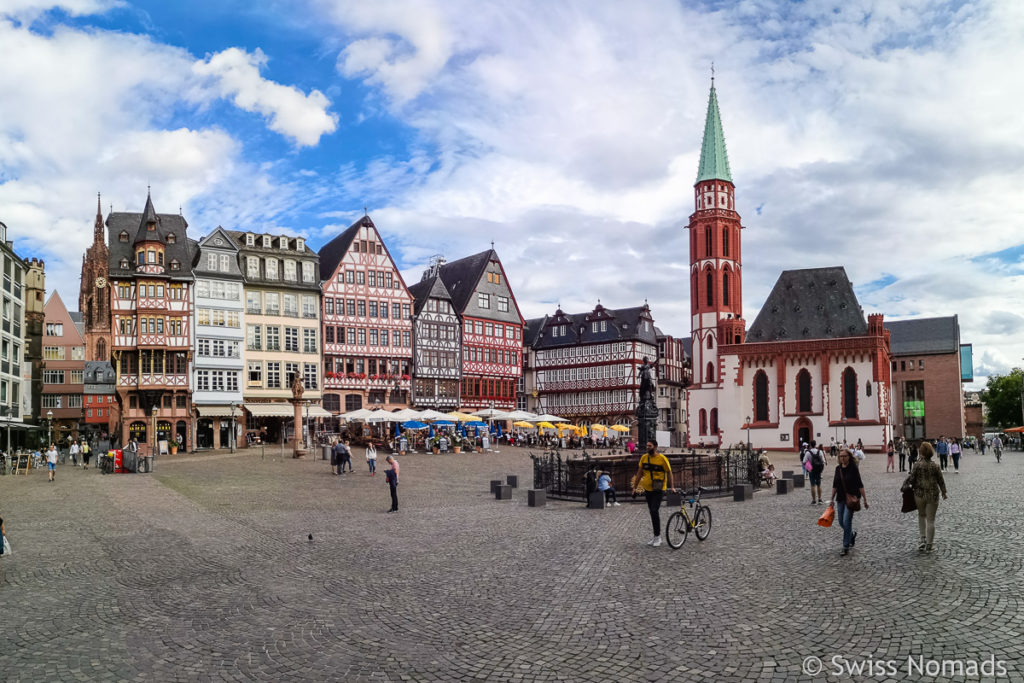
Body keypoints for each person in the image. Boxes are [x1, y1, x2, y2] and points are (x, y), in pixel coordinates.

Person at [905, 441, 947, 552]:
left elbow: (911, 479)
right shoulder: (935, 466)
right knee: (931, 520)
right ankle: (930, 544)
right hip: (933, 495)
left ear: (921, 452)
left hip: (919, 494)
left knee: (921, 515)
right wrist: (944, 492)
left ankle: (922, 539)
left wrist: (906, 487)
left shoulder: (917, 465)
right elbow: (941, 480)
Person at [630, 440, 673, 547]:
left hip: (659, 489)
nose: (648, 447)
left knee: (654, 510)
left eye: (650, 446)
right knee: (652, 511)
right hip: (648, 489)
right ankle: (655, 536)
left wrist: (672, 486)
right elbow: (639, 473)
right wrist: (634, 488)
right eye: (647, 445)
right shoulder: (644, 458)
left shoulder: (662, 459)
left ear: (655, 447)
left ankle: (658, 537)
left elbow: (669, 472)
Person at [831, 447, 869, 556]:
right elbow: (835, 485)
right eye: (840, 456)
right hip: (840, 499)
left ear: (849, 457)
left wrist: (865, 500)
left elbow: (860, 484)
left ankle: (845, 546)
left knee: (847, 521)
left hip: (852, 498)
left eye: (844, 456)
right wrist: (832, 499)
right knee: (841, 522)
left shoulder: (853, 468)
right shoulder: (837, 469)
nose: (842, 458)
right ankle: (851, 535)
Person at [803, 440, 826, 504]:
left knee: (812, 485)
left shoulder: (808, 452)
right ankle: (820, 499)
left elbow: (804, 461)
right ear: (816, 445)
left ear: (810, 445)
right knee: (819, 485)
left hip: (812, 470)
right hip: (818, 470)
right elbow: (823, 461)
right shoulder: (820, 451)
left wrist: (809, 468)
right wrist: (821, 468)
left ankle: (814, 500)